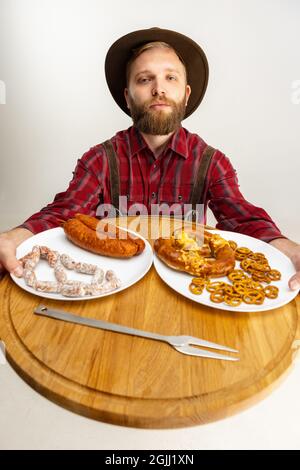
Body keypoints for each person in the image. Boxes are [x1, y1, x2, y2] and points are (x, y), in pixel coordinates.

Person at [0, 27, 299, 290]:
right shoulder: (99, 160)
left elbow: (243, 219)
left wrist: (290, 250)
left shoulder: (212, 163)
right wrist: (13, 237)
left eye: (170, 78)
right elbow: (64, 213)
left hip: (190, 290)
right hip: (111, 286)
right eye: (145, 79)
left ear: (185, 94)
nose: (159, 88)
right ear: (128, 96)